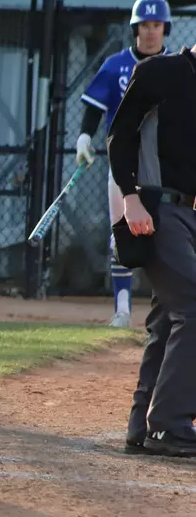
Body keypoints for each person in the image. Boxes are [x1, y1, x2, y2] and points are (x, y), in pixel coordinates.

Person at [107, 40, 196, 458]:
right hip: (154, 206)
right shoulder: (164, 71)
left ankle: (142, 427)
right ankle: (169, 425)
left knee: (168, 318)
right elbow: (120, 132)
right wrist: (129, 197)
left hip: (187, 213)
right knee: (193, 307)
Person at [77, 0, 172, 328]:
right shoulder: (116, 64)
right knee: (122, 235)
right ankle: (122, 309)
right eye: (144, 25)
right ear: (135, 28)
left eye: (156, 25)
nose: (150, 32)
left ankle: (170, 309)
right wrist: (84, 137)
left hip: (166, 167)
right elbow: (93, 107)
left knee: (168, 236)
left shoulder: (175, 67)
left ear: (165, 29)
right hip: (125, 166)